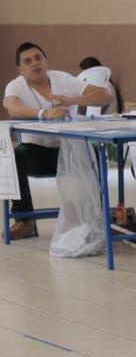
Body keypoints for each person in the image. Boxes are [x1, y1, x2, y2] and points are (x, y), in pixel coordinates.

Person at [3, 43, 114, 240]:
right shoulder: (16, 86)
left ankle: (99, 218)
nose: (35, 64)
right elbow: (13, 108)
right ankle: (24, 219)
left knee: (95, 154)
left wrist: (72, 100)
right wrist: (43, 113)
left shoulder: (63, 79)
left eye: (38, 58)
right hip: (37, 151)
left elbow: (106, 95)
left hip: (70, 150)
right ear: (20, 69)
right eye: (28, 61)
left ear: (46, 61)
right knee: (14, 157)